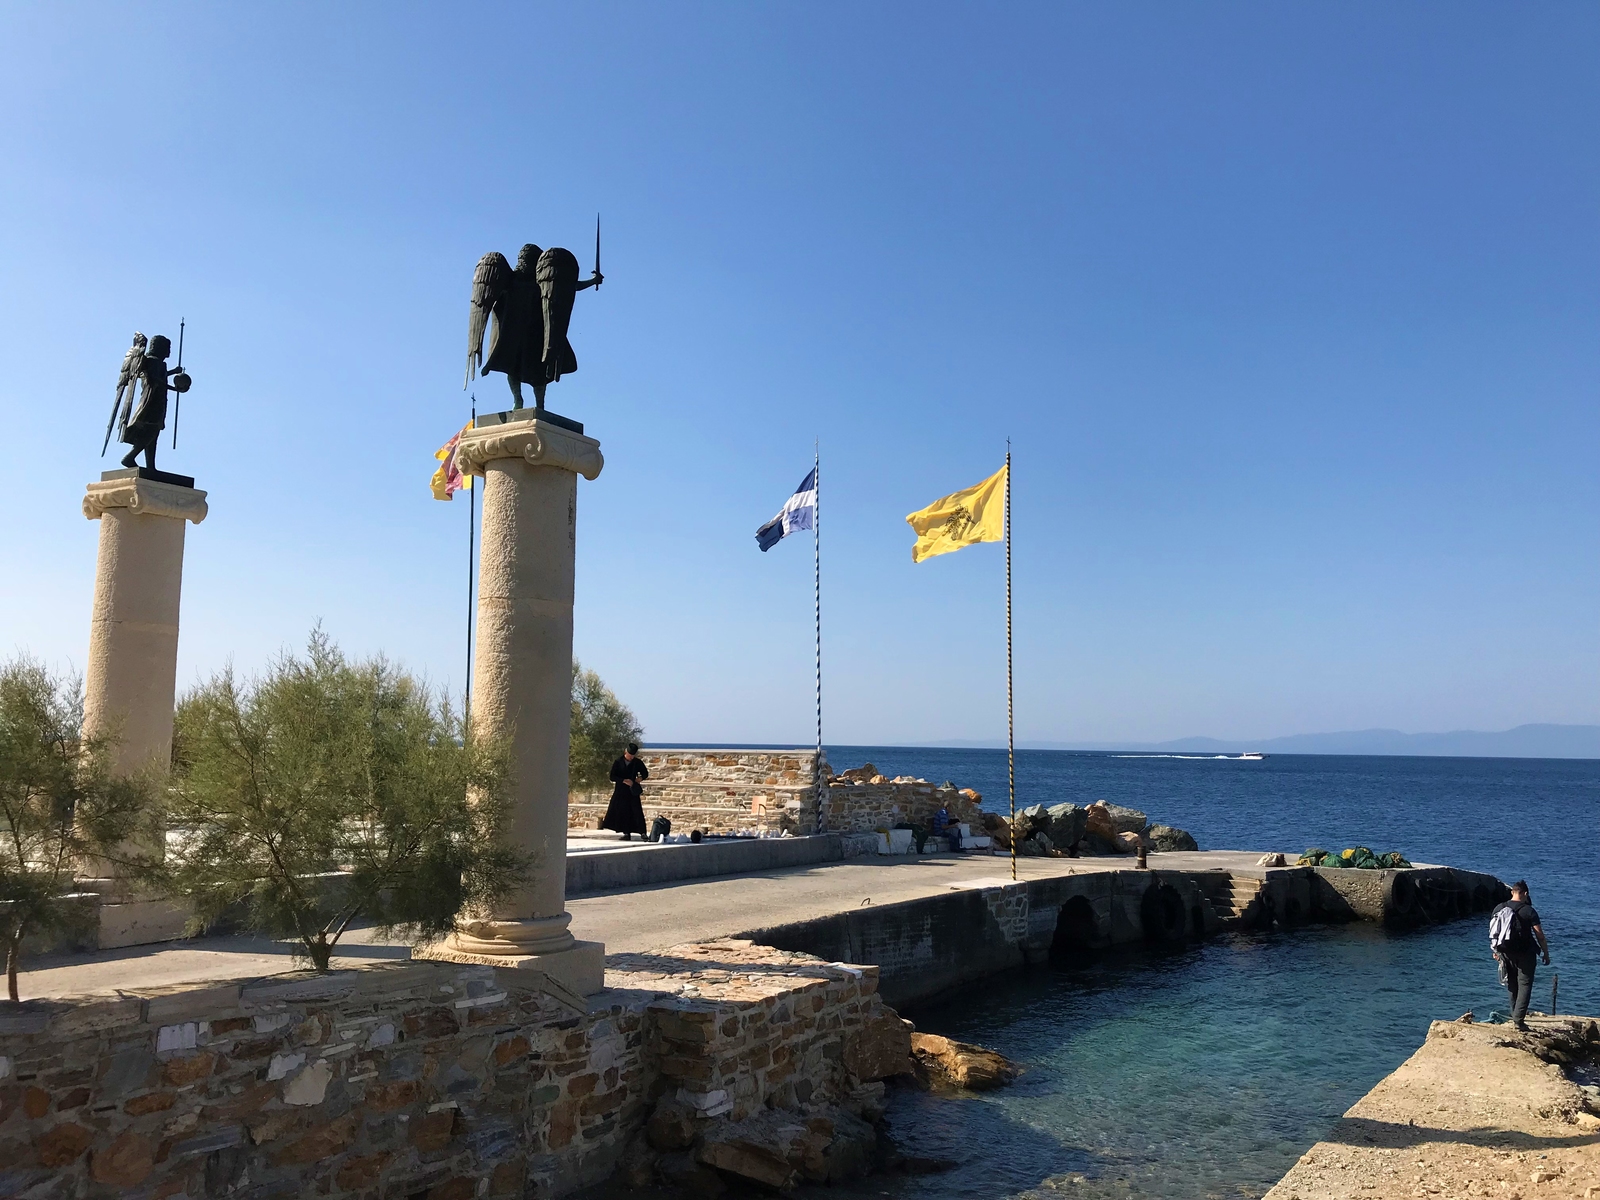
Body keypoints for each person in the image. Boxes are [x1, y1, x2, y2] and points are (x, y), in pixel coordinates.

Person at [1490, 880, 1550, 1031]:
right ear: (1526, 893)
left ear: (1512, 892)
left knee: (1511, 984)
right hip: (1526, 954)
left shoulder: (1499, 908)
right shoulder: (1529, 911)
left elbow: (1494, 932)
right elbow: (1540, 935)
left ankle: (1514, 1016)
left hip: (1504, 952)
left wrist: (1496, 951)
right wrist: (1546, 953)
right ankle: (1519, 1021)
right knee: (1525, 985)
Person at [600, 743, 648, 841]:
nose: (631, 758)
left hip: (632, 791)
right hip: (621, 791)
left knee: (637, 811)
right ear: (625, 752)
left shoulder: (637, 762)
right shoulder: (618, 762)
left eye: (632, 756)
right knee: (623, 812)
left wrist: (640, 778)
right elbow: (612, 776)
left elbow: (645, 773)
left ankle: (643, 833)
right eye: (629, 756)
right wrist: (623, 780)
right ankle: (626, 833)